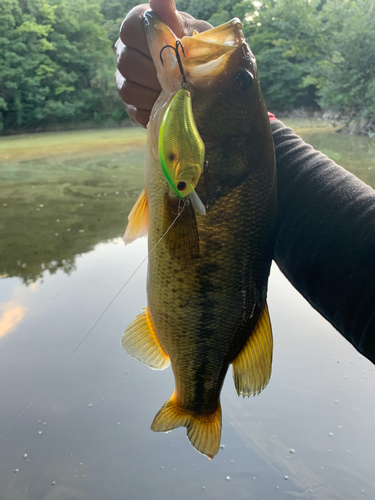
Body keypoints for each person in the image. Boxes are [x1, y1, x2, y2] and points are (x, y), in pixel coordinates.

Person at [115, 0, 375, 364]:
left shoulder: (223, 168)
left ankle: (196, 402)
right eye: (244, 82)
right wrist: (185, 123)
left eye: (242, 81)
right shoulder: (225, 166)